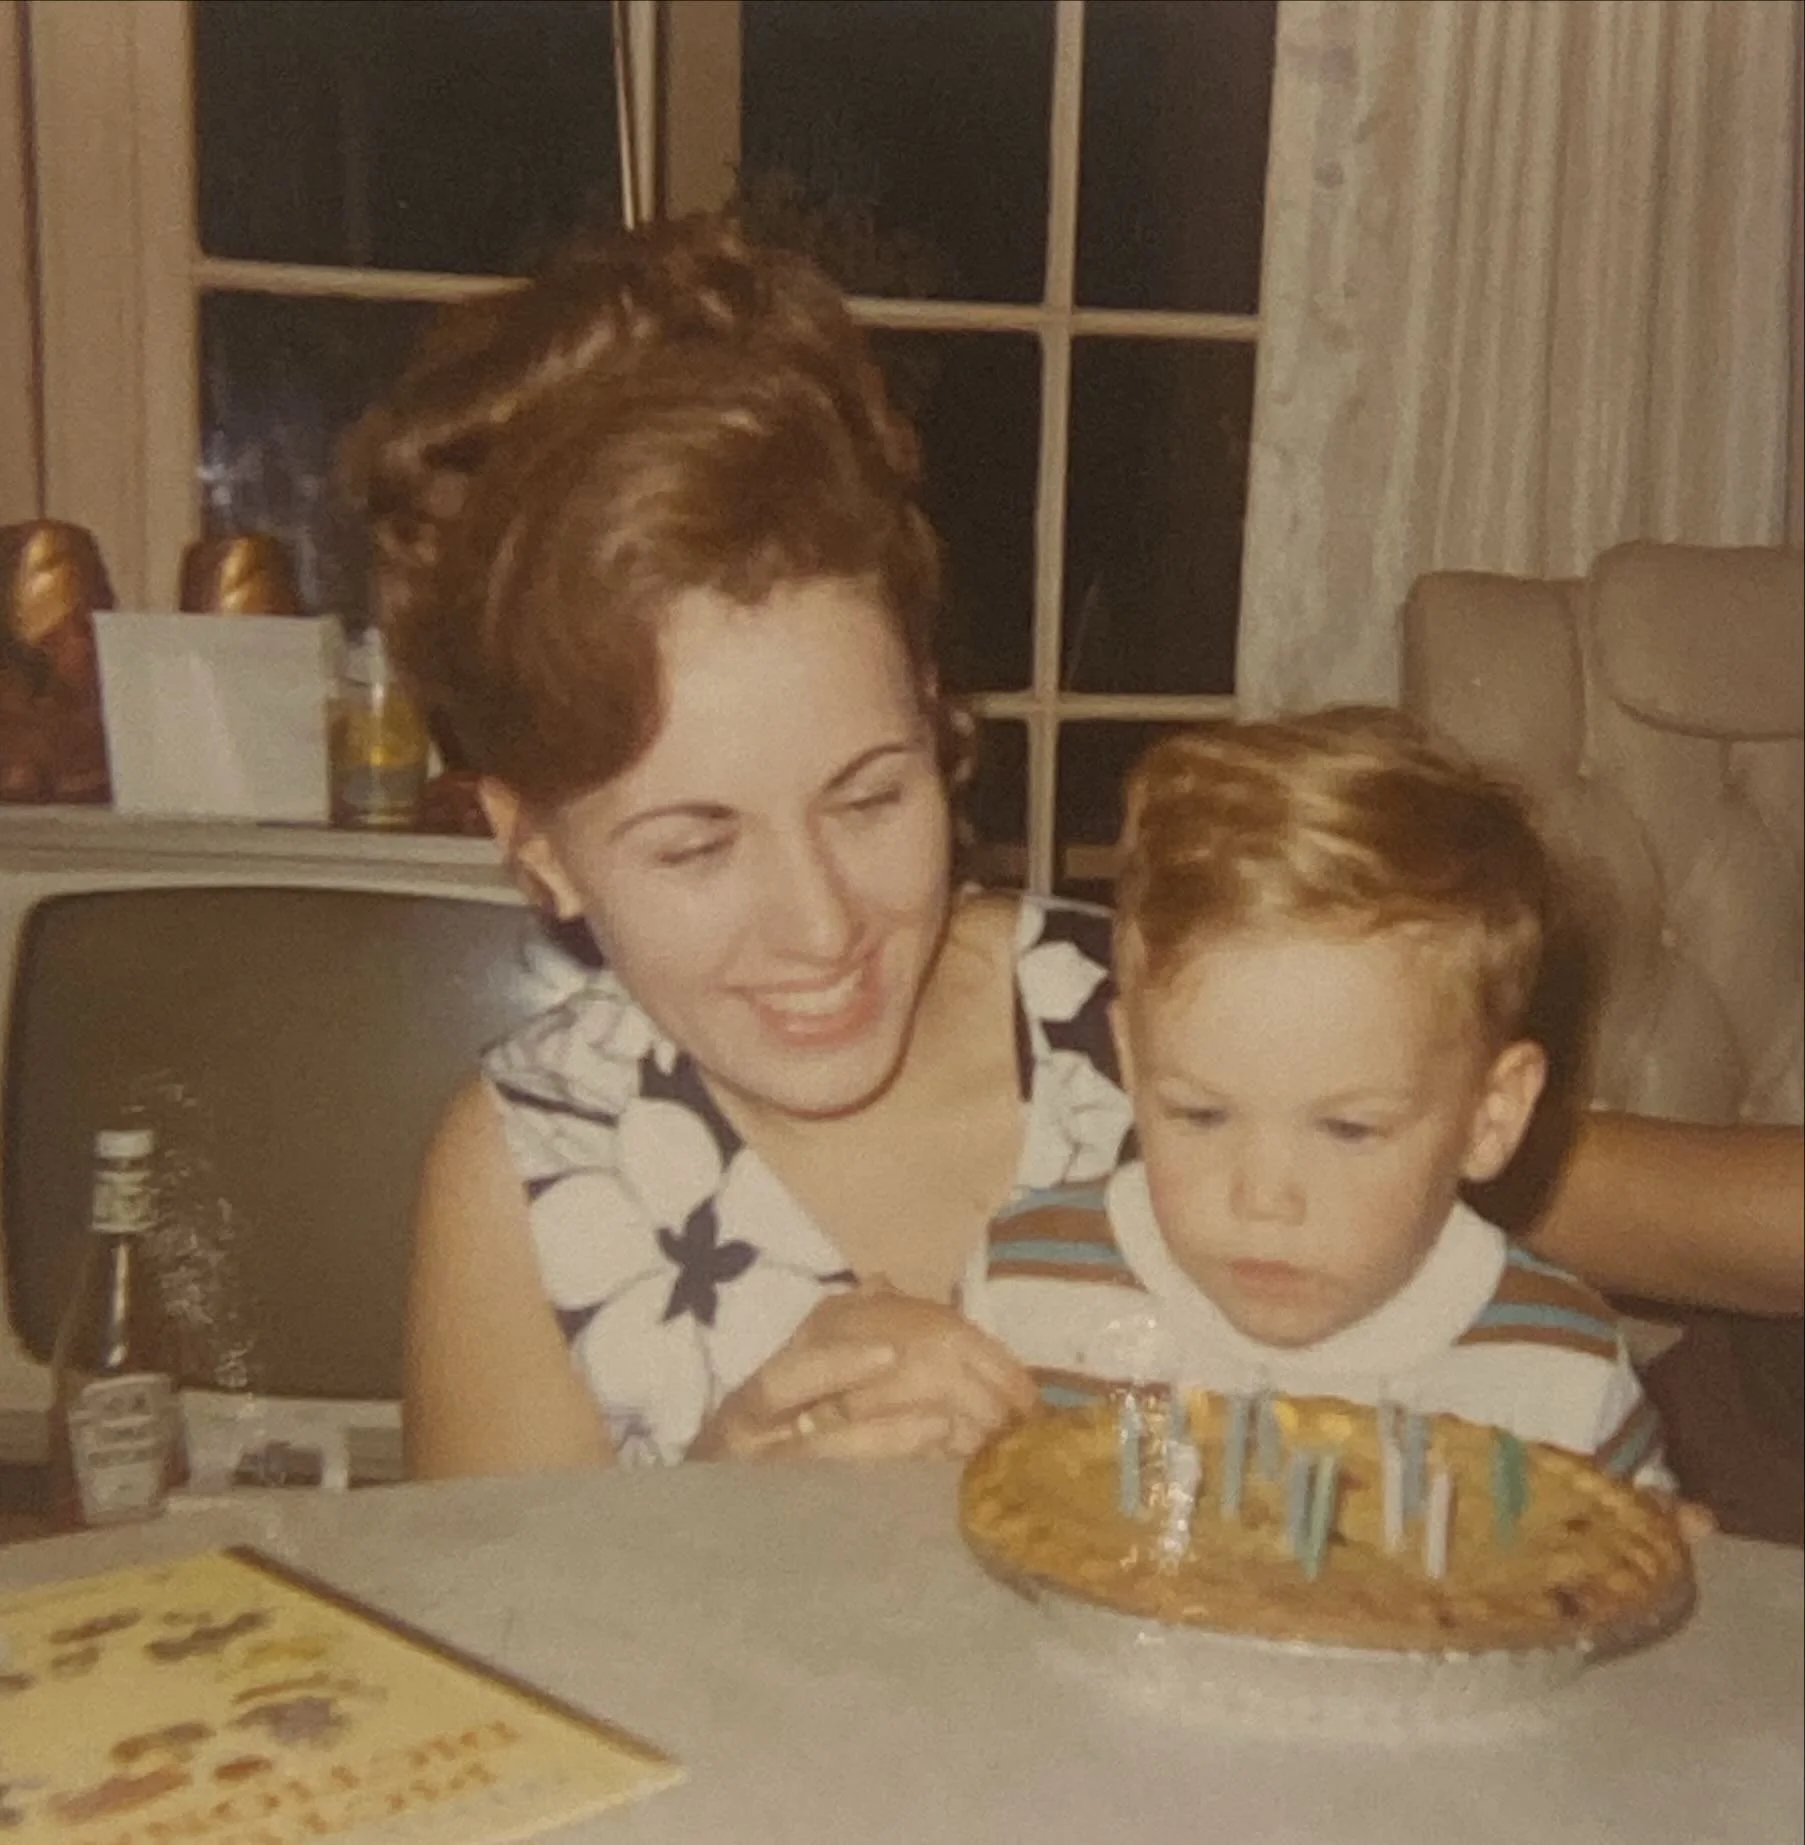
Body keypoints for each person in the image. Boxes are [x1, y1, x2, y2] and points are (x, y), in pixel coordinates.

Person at [341, 211, 1799, 1482]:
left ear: (934, 719)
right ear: (539, 849)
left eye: (867, 796)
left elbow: (1669, 1203)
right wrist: (725, 1510)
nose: (818, 923)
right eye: (693, 846)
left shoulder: (1159, 1015)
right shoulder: (529, 1166)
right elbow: (514, 1689)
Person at [962, 709, 1669, 1485]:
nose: (1263, 1199)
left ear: (1489, 1114)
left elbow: (1620, 1581)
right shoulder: (1025, 1288)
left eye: (1347, 1127)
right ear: (1131, 1061)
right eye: (1199, 1113)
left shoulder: (1561, 1375)